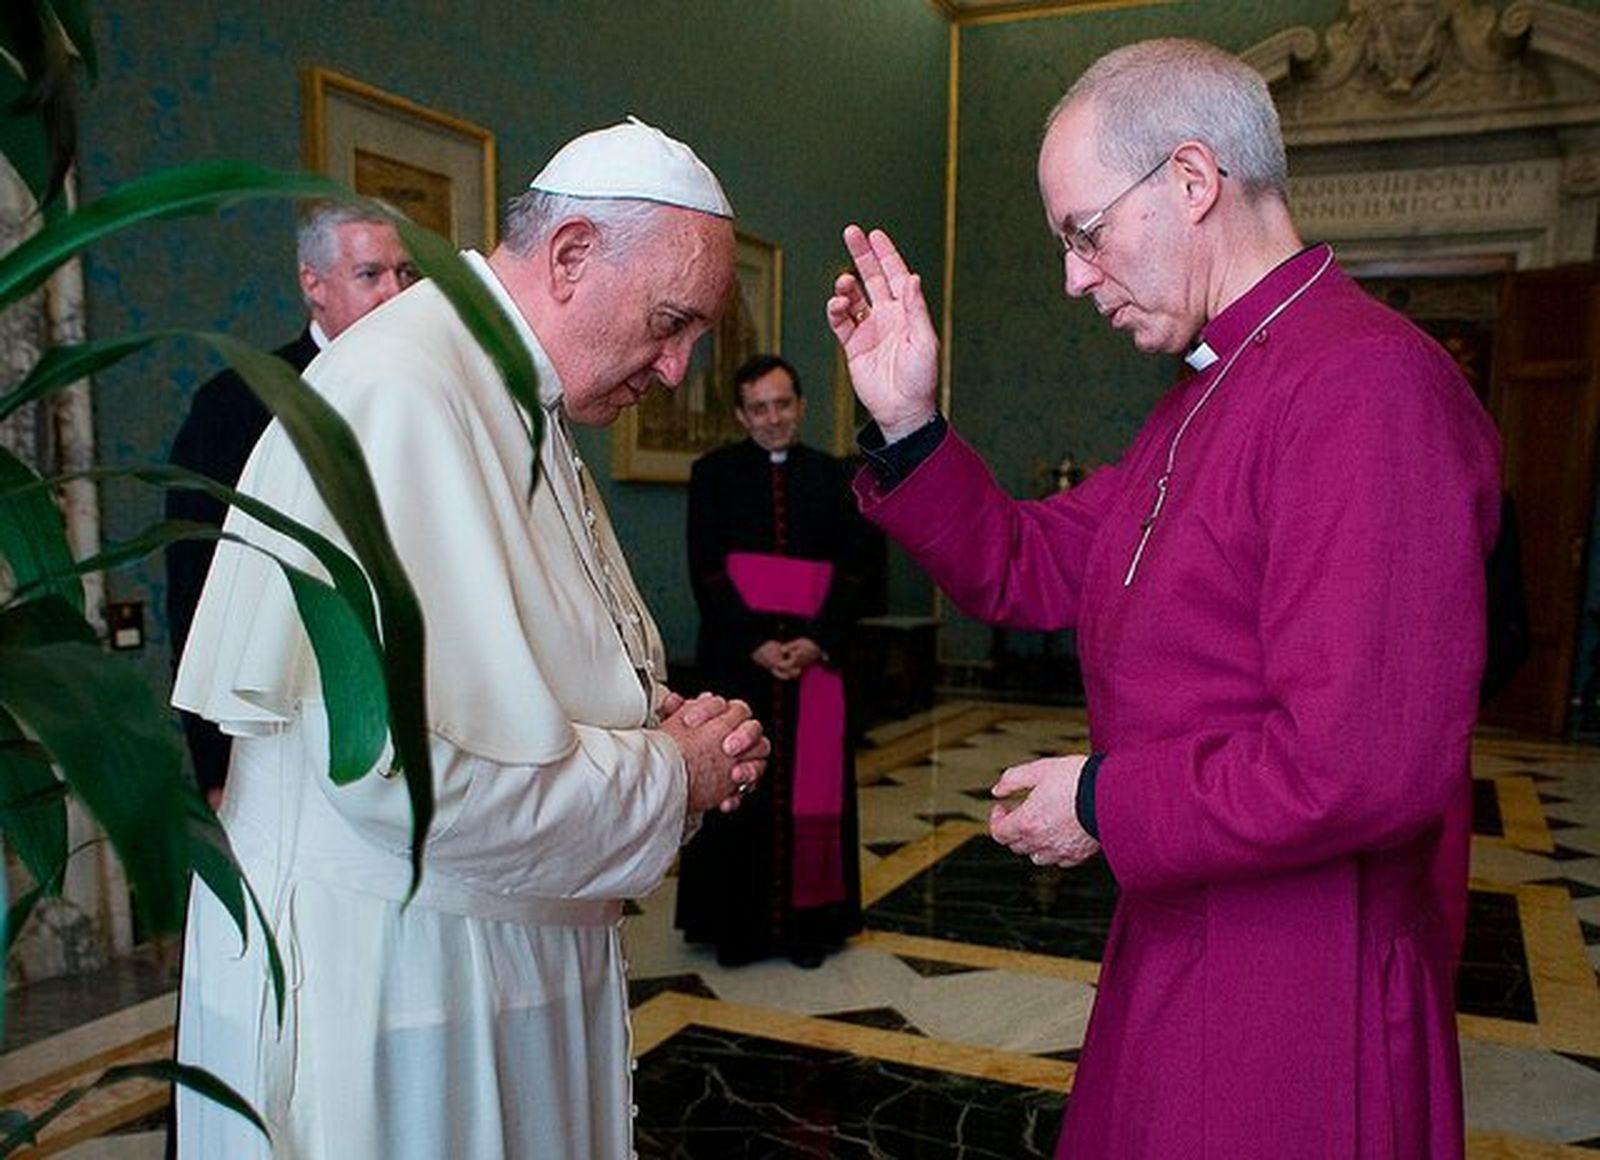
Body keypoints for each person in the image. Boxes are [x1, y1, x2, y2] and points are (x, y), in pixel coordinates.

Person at [827, 38, 1500, 1160]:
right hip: (1190, 931)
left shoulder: (1361, 385)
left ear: (1191, 180)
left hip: (1295, 989)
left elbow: (1360, 764)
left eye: (1082, 234)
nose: (1074, 278)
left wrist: (1101, 799)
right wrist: (908, 422)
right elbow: (1031, 564)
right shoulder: (1212, 385)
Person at [171, 119, 769, 1159]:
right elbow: (406, 778)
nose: (677, 370)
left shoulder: (506, 389)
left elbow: (513, 661)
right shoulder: (402, 394)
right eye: (670, 324)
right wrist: (674, 774)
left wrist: (646, 711)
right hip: (399, 991)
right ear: (573, 255)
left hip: (483, 965)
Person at [164, 201, 418, 807]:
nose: (396, 294)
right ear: (314, 283)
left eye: (407, 275)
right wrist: (215, 764)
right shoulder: (240, 402)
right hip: (279, 720)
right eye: (371, 275)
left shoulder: (430, 397)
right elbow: (199, 583)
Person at [676, 354, 876, 968]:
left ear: (802, 406)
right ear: (741, 414)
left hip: (815, 665)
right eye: (759, 408)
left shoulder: (836, 477)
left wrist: (817, 639)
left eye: (782, 405)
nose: (772, 419)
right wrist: (755, 640)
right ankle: (736, 928)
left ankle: (811, 930)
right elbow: (708, 571)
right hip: (741, 664)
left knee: (813, 797)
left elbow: (853, 572)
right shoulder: (714, 475)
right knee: (741, 790)